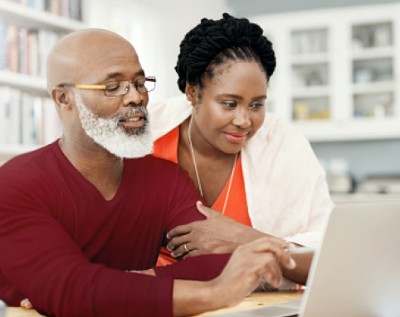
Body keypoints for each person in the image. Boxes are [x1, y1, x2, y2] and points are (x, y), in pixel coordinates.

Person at [0, 29, 296, 317]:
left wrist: (107, 290)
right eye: (113, 87)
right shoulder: (15, 184)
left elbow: (218, 262)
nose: (136, 98)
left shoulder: (165, 179)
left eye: (140, 83)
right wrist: (214, 293)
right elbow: (70, 289)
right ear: (64, 99)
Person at [150, 13, 334, 286]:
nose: (244, 120)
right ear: (192, 92)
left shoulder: (284, 145)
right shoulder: (145, 134)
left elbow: (329, 260)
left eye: (256, 104)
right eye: (229, 103)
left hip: (253, 306)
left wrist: (242, 238)